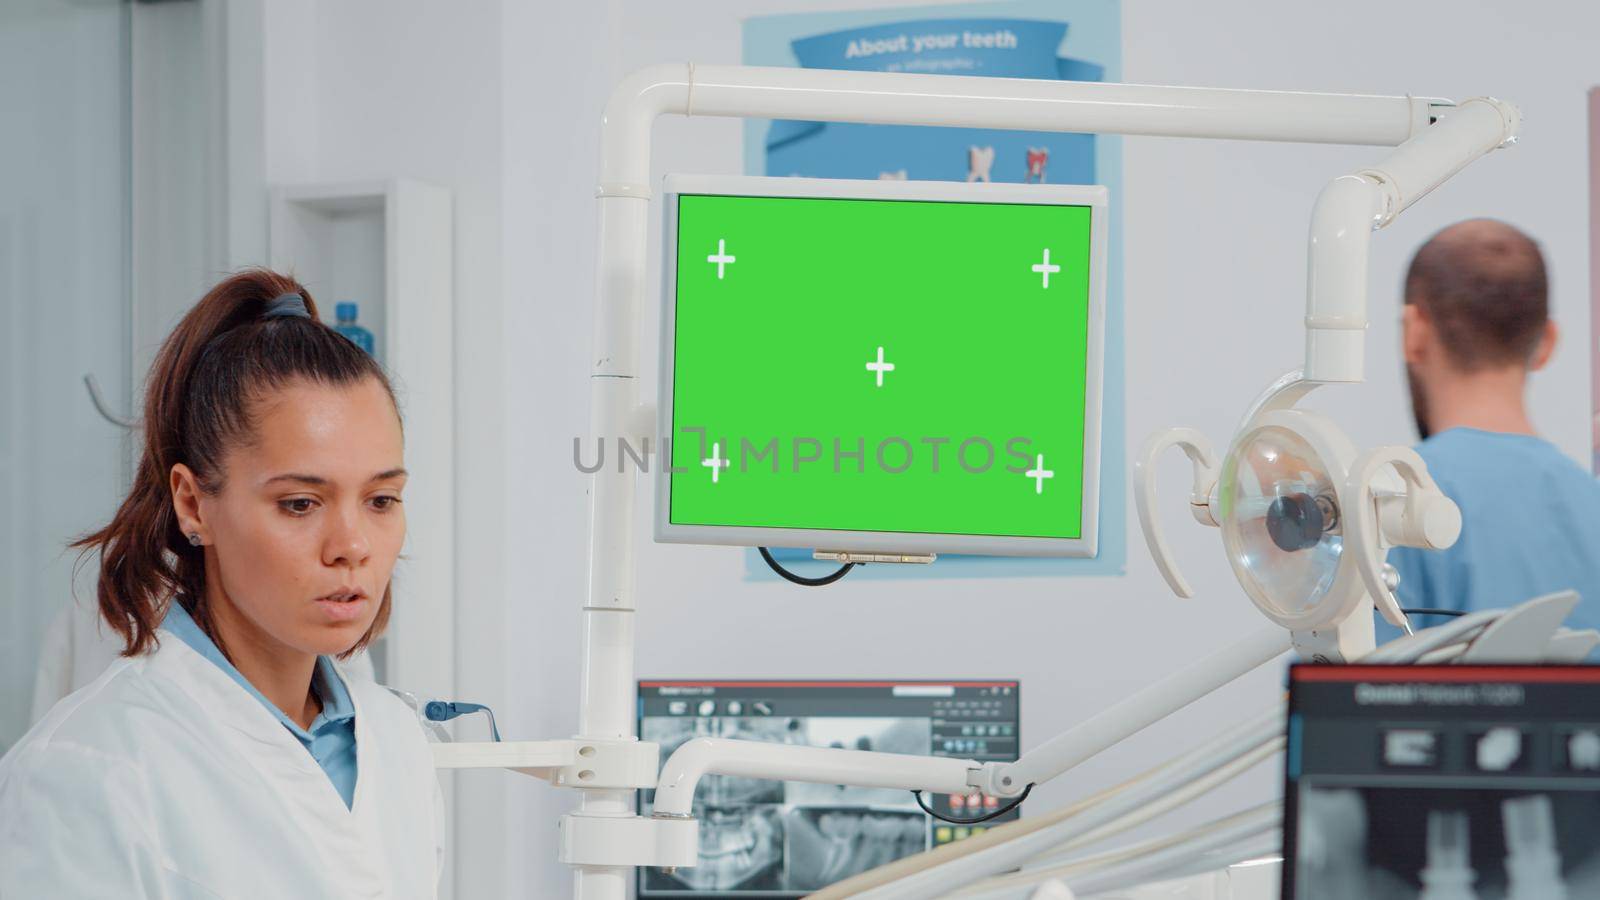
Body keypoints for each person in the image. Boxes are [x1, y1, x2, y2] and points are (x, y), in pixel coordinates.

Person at [0, 270, 443, 896]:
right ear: (193, 504)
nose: (352, 548)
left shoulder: (395, 743)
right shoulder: (86, 771)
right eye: (299, 503)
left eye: (381, 499)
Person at [1390, 219, 1600, 632]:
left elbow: (1347, 690)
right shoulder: (1590, 501)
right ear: (1547, 343)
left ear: (1414, 332)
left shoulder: (1388, 504)